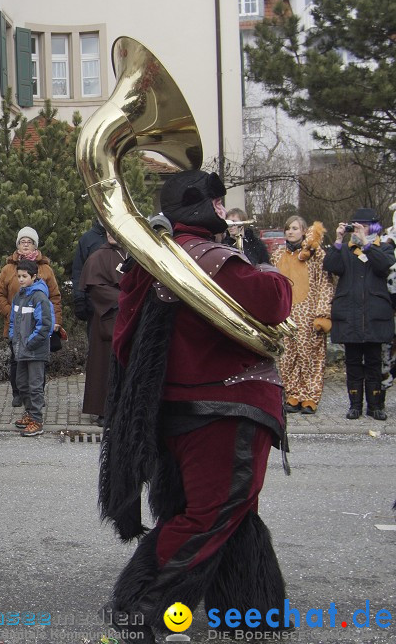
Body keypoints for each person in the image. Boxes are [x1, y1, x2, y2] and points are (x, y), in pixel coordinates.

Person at [101, 170, 292, 642]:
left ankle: (251, 611)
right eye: (221, 204)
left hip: (179, 408)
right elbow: (276, 301)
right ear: (210, 208)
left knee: (228, 510)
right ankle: (141, 607)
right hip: (227, 406)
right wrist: (262, 262)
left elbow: (128, 342)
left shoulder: (154, 260)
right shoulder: (210, 257)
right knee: (211, 513)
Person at [324, 208, 395, 421]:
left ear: (372, 228)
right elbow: (329, 266)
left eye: (363, 226)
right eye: (355, 226)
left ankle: (375, 406)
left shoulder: (383, 248)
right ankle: (355, 405)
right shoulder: (345, 250)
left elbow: (384, 266)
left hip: (374, 316)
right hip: (350, 316)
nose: (358, 230)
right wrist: (337, 240)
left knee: (374, 363)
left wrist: (366, 244)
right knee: (353, 364)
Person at [0, 227, 63, 409]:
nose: (25, 245)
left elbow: (54, 297)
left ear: (35, 246)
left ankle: (37, 395)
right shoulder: (8, 269)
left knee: (37, 363)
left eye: (29, 242)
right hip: (15, 325)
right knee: (17, 360)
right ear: (17, 245)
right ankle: (18, 393)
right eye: (22, 242)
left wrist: (55, 321)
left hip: (37, 326)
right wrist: (10, 313)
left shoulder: (45, 269)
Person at [271, 217, 333, 415]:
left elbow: (325, 284)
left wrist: (323, 314)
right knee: (288, 357)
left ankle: (309, 397)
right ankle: (292, 395)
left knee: (310, 357)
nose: (290, 232)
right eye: (288, 228)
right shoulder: (278, 254)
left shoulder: (316, 255)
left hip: (309, 314)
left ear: (304, 230)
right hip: (286, 314)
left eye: (295, 228)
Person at [78, 235, 127, 426]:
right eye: (108, 231)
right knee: (103, 365)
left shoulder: (132, 253)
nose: (111, 234)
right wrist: (122, 298)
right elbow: (95, 288)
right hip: (107, 317)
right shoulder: (98, 256)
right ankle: (103, 410)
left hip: (131, 317)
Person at [9, 259, 53, 437]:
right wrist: (13, 337)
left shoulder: (39, 297)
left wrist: (29, 343)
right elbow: (13, 321)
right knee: (22, 383)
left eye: (24, 276)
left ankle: (37, 420)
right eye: (18, 276)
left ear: (34, 276)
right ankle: (29, 413)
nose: (20, 279)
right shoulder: (19, 296)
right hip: (21, 350)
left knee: (35, 386)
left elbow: (44, 325)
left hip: (35, 351)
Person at [71, 218, 107, 322]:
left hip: (119, 303)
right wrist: (79, 299)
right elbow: (78, 271)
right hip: (94, 304)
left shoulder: (121, 236)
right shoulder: (87, 239)